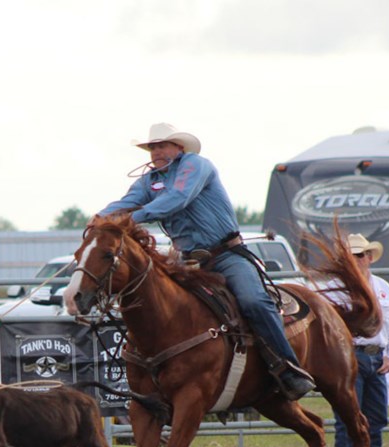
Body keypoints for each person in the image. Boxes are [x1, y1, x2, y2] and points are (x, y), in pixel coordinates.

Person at [97, 123, 315, 400]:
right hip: (186, 262)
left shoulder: (195, 165)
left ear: (179, 147)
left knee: (253, 301)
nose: (157, 152)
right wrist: (101, 218)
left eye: (163, 145)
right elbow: (126, 202)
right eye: (153, 147)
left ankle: (288, 367)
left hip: (225, 255)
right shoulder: (148, 181)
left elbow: (178, 198)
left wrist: (129, 220)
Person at [328, 234, 389, 447]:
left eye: (361, 255)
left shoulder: (383, 287)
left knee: (376, 417)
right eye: (352, 256)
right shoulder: (335, 289)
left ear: (369, 257)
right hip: (350, 358)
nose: (357, 260)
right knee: (349, 417)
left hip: (376, 359)